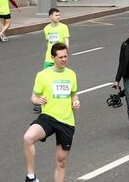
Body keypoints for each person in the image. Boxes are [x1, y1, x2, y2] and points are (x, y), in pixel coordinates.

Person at [24, 42, 80, 182]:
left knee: (61, 162)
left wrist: (76, 101)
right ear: (53, 58)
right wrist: (38, 101)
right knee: (28, 138)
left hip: (66, 121)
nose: (64, 60)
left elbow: (74, 94)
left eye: (66, 56)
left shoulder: (71, 74)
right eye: (60, 57)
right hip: (48, 117)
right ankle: (31, 177)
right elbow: (33, 97)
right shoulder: (43, 75)